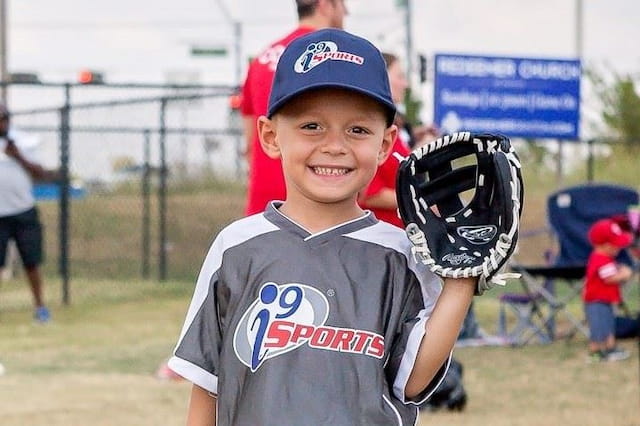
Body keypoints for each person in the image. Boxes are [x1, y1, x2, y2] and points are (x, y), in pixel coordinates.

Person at [169, 29, 478, 426]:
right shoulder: (237, 247)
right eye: (312, 126)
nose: (335, 145)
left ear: (385, 146)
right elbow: (208, 386)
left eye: (357, 130)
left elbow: (413, 382)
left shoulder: (400, 254)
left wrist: (461, 281)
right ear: (270, 135)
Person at [240, 0, 348, 216]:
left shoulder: (262, 58)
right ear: (326, 5)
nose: (346, 13)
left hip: (263, 203)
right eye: (343, 6)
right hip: (315, 202)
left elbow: (249, 142)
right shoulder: (334, 57)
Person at [0, 102, 55, 323]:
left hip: (23, 211)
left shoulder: (22, 141)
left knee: (31, 262)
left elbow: (40, 173)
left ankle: (40, 308)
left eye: (4, 118)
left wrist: (17, 156)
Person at [583, 218, 635, 362]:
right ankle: (595, 352)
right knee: (599, 327)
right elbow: (609, 278)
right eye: (616, 245)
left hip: (606, 300)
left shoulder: (607, 259)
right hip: (596, 302)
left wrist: (620, 269)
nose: (619, 248)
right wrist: (625, 274)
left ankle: (610, 348)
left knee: (609, 325)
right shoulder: (600, 259)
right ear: (604, 245)